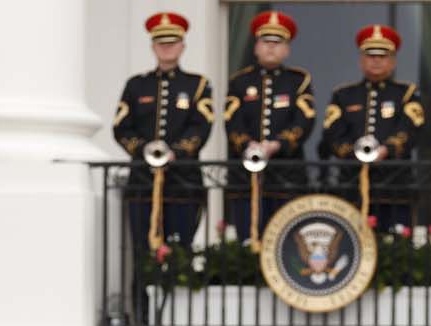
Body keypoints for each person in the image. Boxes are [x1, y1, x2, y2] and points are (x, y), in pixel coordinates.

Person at [113, 12, 215, 257]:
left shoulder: (197, 85)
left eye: (172, 42)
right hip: (143, 182)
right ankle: (142, 297)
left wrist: (175, 153)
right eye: (161, 42)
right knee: (142, 251)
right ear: (153, 46)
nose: (167, 47)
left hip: (184, 182)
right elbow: (121, 126)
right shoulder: (136, 85)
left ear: (182, 45)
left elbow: (201, 126)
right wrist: (144, 151)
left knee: (181, 251)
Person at [317, 25, 425, 232]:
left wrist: (386, 150)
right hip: (352, 184)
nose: (376, 60)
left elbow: (411, 129)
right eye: (370, 55)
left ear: (392, 62)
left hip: (395, 185)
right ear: (361, 60)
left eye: (383, 56)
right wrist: (354, 153)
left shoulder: (406, 94)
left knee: (396, 249)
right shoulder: (344, 95)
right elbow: (332, 135)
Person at [223, 11, 315, 242]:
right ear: (256, 47)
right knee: (248, 239)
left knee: (284, 242)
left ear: (287, 49)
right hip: (245, 177)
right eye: (266, 42)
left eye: (277, 43)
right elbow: (231, 120)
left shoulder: (298, 81)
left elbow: (304, 120)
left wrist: (278, 144)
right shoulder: (240, 82)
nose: (271, 48)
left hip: (287, 176)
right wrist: (247, 144)